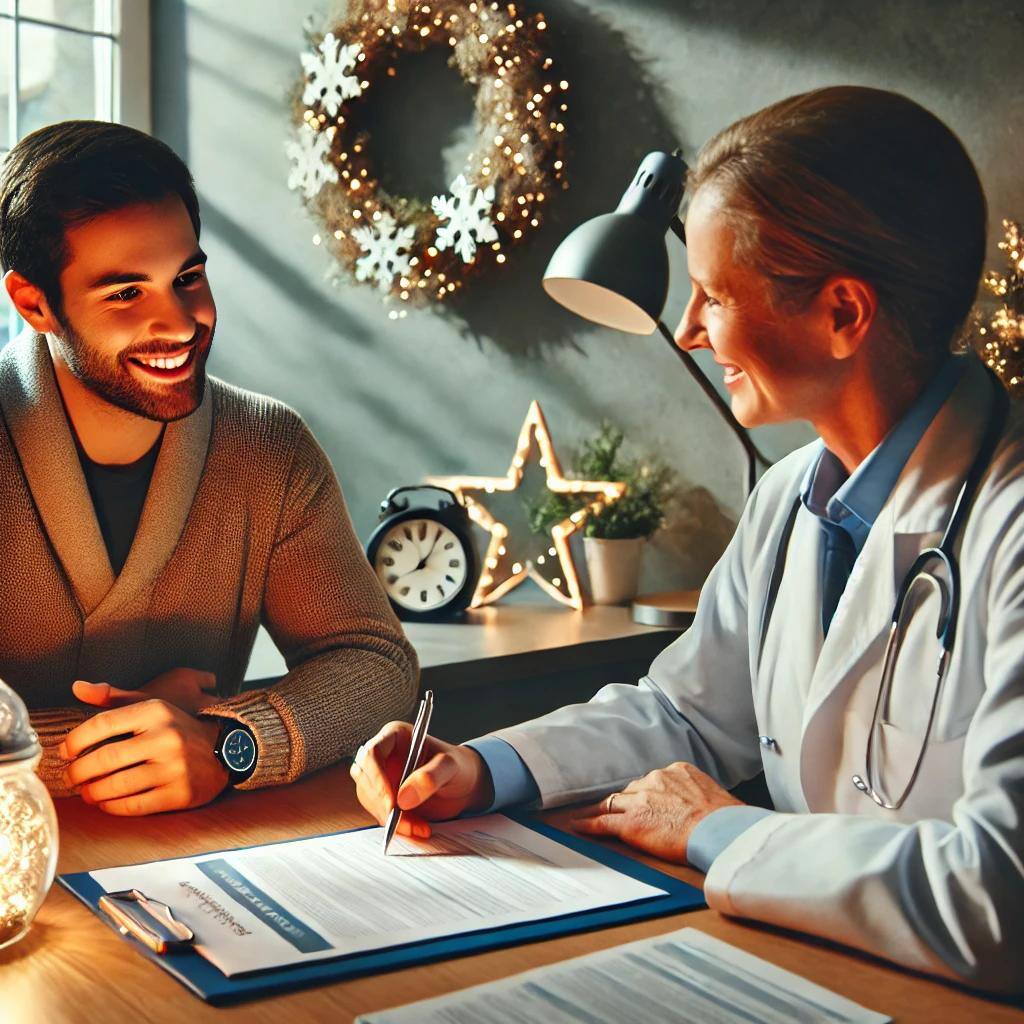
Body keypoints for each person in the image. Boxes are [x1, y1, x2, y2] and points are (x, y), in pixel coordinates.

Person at [351, 86, 1024, 992]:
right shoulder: (791, 497)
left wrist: (715, 831)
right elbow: (689, 714)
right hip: (810, 965)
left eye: (712, 295)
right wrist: (479, 769)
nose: (689, 331)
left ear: (842, 315)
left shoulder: (1008, 521)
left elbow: (997, 900)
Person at [0, 121, 418, 815]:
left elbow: (376, 664)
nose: (183, 321)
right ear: (34, 303)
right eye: (126, 293)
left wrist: (231, 740)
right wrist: (127, 745)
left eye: (188, 277)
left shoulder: (269, 447)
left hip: (200, 863)